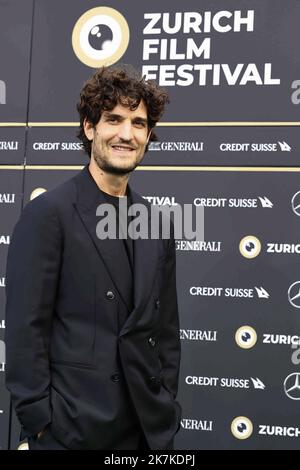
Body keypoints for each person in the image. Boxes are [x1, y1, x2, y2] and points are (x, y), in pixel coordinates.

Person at [5, 65, 181, 450]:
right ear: (89, 128)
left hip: (145, 432)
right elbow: (25, 330)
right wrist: (39, 423)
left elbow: (165, 331)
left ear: (149, 135)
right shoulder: (48, 214)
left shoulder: (156, 222)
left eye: (138, 123)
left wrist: (165, 402)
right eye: (113, 119)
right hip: (72, 431)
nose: (126, 134)